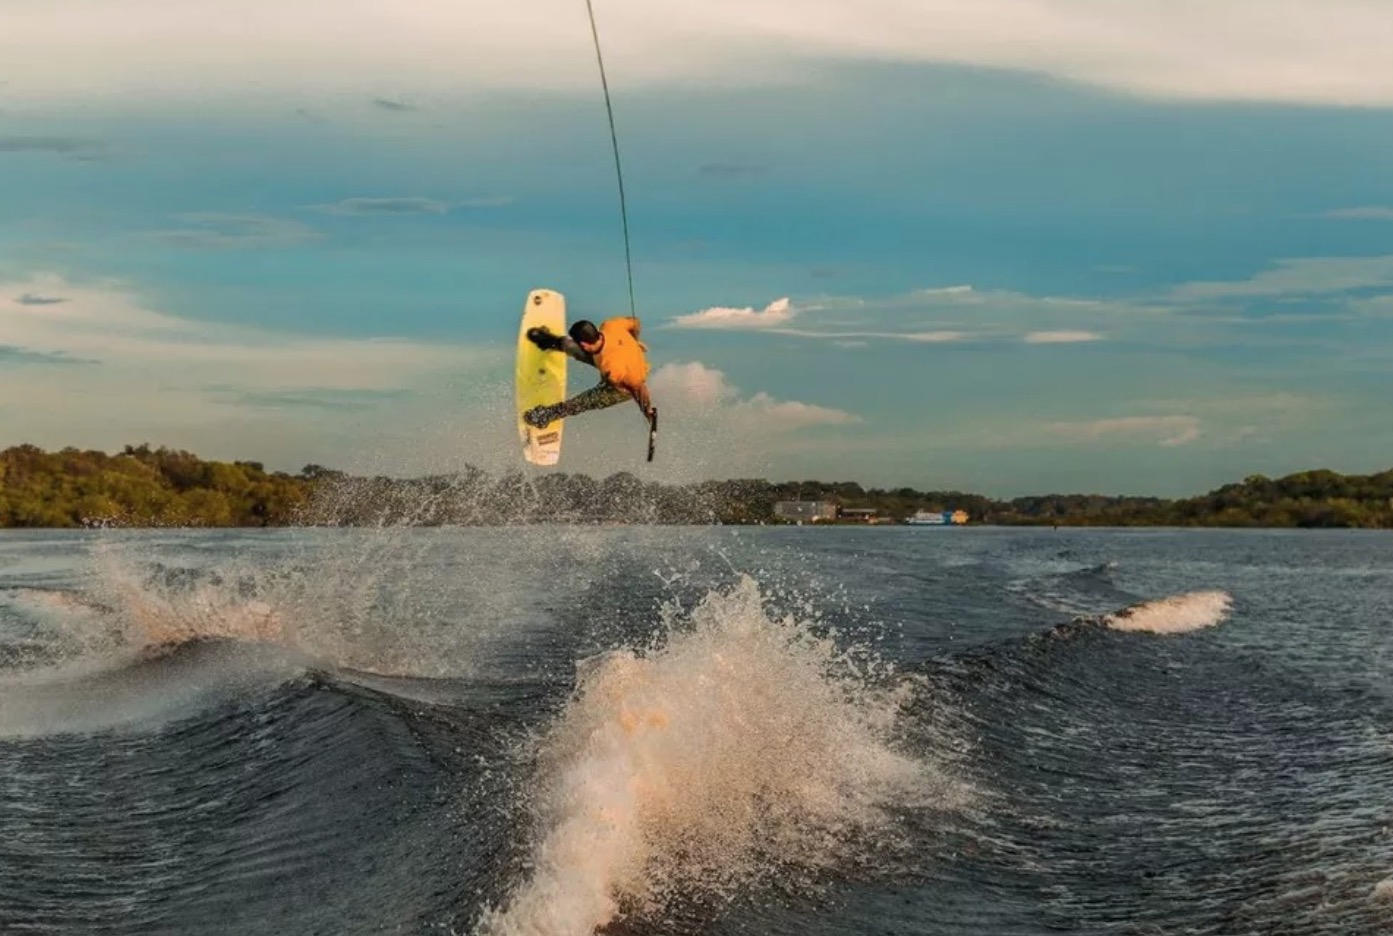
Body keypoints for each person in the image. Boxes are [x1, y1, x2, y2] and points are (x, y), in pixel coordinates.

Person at [522, 316, 655, 429]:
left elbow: (638, 387)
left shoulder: (612, 368)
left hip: (621, 389)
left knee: (584, 401)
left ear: (585, 344)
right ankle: (547, 341)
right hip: (610, 358)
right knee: (571, 347)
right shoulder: (611, 326)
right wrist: (633, 340)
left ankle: (546, 415)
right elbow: (635, 322)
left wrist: (647, 411)